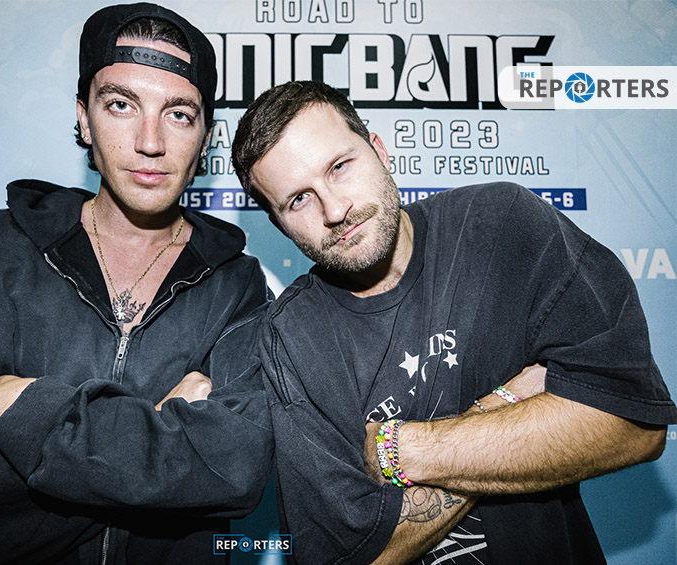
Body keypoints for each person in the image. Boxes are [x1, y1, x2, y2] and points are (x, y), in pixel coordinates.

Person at [0, 4, 273, 564]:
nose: (150, 141)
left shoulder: (237, 287)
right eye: (121, 105)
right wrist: (152, 457)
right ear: (84, 118)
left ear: (204, 137)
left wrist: (23, 413)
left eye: (179, 114)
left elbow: (233, 469)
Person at [231, 80, 676, 564]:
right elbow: (349, 556)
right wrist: (510, 403)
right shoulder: (291, 335)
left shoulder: (502, 225)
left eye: (340, 167)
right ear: (279, 224)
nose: (335, 210)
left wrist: (400, 449)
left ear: (379, 150)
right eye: (299, 199)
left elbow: (632, 423)